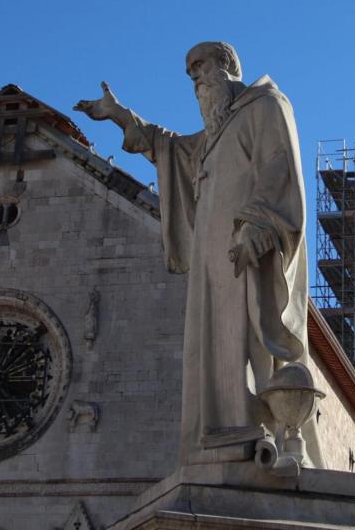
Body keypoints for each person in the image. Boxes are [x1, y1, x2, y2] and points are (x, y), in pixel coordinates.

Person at [74, 42, 317, 466]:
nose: (194, 80)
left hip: (248, 251)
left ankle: (266, 433)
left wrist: (257, 228)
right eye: (189, 74)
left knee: (249, 340)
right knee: (211, 345)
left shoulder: (267, 106)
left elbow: (279, 167)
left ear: (226, 65)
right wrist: (119, 115)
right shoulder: (211, 137)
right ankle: (220, 433)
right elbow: (168, 148)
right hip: (210, 264)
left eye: (199, 68)